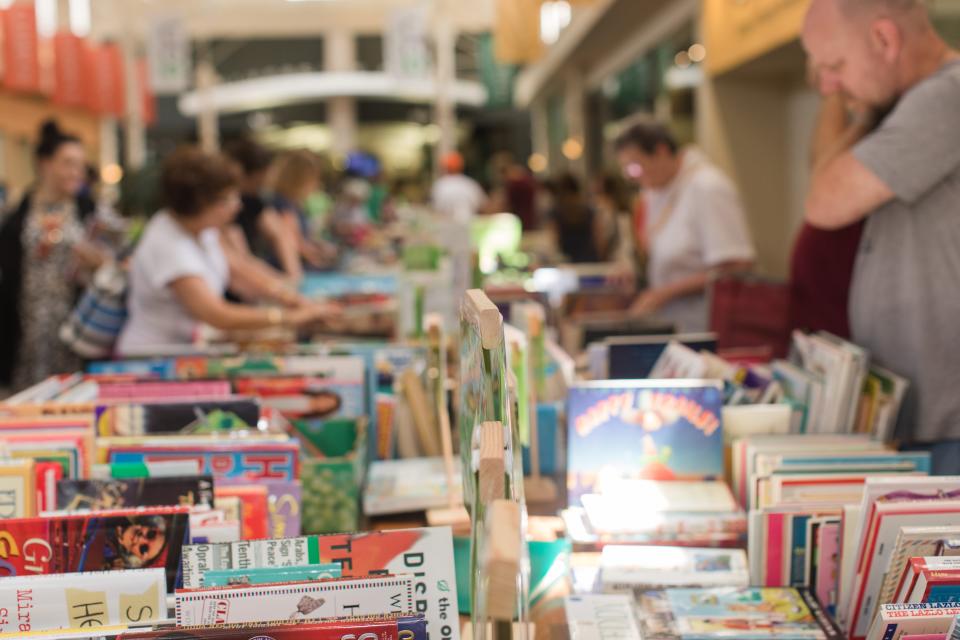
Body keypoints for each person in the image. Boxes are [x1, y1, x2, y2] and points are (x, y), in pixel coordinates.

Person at [802, 0, 960, 472]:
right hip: (931, 417)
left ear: (885, 40)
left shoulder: (946, 96)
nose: (828, 87)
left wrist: (864, 112)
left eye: (835, 66)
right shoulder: (912, 106)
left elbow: (824, 202)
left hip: (949, 421)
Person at [117, 147, 338, 356]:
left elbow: (240, 269)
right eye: (229, 199)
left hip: (182, 350)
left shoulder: (201, 230)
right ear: (202, 202)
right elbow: (216, 314)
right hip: (152, 359)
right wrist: (288, 317)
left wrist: (294, 299)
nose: (237, 205)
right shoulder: (169, 246)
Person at [615, 122, 756, 333]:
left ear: (661, 151)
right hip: (673, 322)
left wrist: (665, 293)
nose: (633, 177)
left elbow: (736, 266)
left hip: (707, 323)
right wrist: (629, 266)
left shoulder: (707, 187)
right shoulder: (656, 190)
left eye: (635, 167)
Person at [0, 121, 108, 390]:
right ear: (45, 164)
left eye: (80, 165)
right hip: (27, 325)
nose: (76, 172)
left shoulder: (91, 212)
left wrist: (100, 264)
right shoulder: (18, 214)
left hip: (76, 328)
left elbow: (116, 266)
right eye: (68, 163)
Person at [223, 138, 302, 283]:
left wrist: (294, 276)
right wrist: (283, 286)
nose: (265, 182)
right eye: (261, 177)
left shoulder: (254, 199)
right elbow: (240, 261)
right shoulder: (224, 207)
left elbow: (280, 235)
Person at [269, 149, 337, 271]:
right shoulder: (283, 204)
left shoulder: (292, 203)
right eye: (314, 179)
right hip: (286, 269)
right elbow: (293, 243)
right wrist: (319, 255)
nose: (316, 184)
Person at [547, 173, 599, 264]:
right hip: (589, 259)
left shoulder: (557, 210)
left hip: (566, 260)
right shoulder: (587, 209)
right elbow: (597, 237)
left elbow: (554, 238)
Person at [431, 151, 487, 224]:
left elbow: (435, 209)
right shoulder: (470, 183)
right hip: (469, 226)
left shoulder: (439, 185)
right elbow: (483, 206)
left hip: (447, 227)